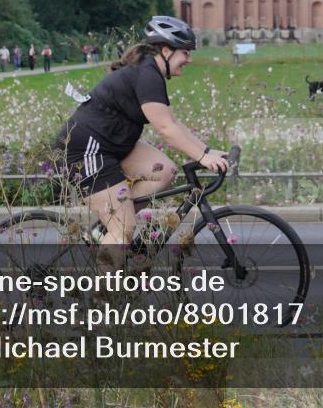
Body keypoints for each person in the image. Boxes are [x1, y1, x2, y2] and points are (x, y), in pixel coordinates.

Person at [53, 16, 229, 269]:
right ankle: (105, 300)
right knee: (124, 228)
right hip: (86, 148)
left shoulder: (150, 71)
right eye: (185, 53)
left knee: (163, 170)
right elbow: (165, 129)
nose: (189, 59)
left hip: (112, 145)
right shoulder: (147, 73)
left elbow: (172, 122)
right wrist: (202, 158)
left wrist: (207, 151)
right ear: (166, 51)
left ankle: (106, 226)